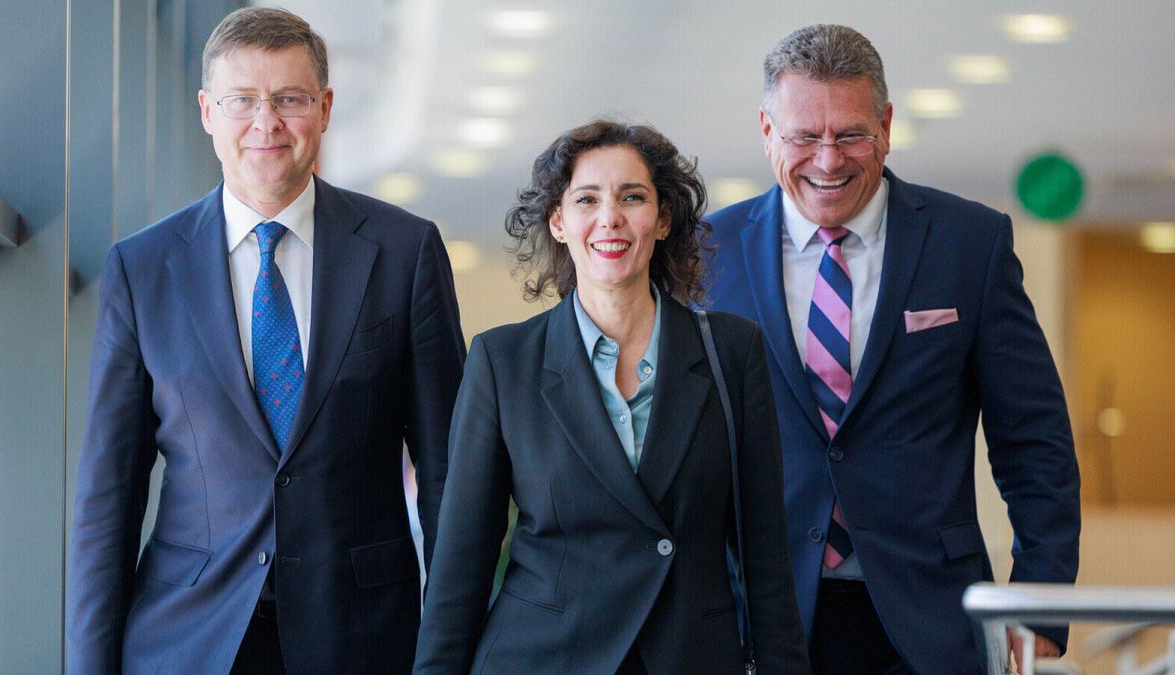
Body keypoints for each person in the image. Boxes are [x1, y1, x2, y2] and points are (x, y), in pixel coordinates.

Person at [65, 7, 465, 673]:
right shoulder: (142, 270)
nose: (266, 122)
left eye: (290, 99)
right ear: (205, 111)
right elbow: (108, 501)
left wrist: (450, 651)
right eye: (242, 100)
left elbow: (452, 473)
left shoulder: (404, 253)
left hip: (364, 638)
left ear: (326, 107)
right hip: (187, 639)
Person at [704, 24, 1080, 675]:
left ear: (886, 123)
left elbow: (1034, 438)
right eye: (803, 136)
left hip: (931, 622)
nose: (828, 160)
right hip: (759, 620)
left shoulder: (970, 243)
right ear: (768, 131)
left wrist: (1038, 608)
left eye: (851, 134)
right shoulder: (706, 254)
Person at [413, 120, 809, 674]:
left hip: (689, 658)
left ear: (664, 219)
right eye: (587, 199)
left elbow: (766, 556)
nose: (610, 218)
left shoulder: (732, 352)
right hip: (544, 658)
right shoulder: (503, 363)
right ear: (558, 221)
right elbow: (461, 565)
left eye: (633, 197)